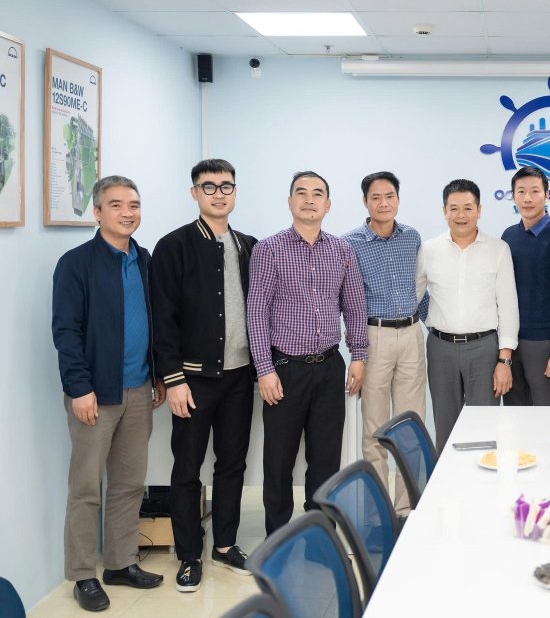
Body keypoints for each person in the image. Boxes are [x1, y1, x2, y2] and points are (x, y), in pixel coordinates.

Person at [52, 176, 166, 612]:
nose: (127, 212)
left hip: (139, 390)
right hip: (95, 394)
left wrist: (158, 375)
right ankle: (83, 574)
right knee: (86, 488)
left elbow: (153, 321)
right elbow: (66, 331)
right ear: (97, 213)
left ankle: (120, 563)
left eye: (133, 204)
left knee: (128, 485)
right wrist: (79, 388)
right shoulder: (76, 264)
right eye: (116, 205)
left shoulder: (145, 259)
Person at [150, 159, 257, 592]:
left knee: (232, 463)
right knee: (187, 468)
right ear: (194, 193)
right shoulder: (173, 246)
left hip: (239, 376)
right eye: (208, 186)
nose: (218, 194)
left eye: (226, 186)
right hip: (193, 379)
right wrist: (173, 378)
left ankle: (225, 545)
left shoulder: (248, 245)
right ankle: (190, 555)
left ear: (235, 192)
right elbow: (162, 317)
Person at [247, 171, 368, 535]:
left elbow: (355, 307)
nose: (309, 199)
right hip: (285, 369)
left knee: (326, 459)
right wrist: (265, 368)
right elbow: (256, 311)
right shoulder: (269, 249)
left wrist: (358, 355)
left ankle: (320, 533)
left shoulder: (342, 251)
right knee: (279, 459)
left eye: (318, 194)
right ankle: (279, 537)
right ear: (290, 202)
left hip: (329, 367)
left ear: (328, 205)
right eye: (301, 193)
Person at [343, 171, 428, 515]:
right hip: (373, 336)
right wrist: (357, 351)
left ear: (398, 199)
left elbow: (420, 287)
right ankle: (379, 511)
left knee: (410, 425)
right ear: (365, 202)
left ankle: (407, 509)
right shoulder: (350, 243)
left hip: (411, 335)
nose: (383, 203)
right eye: (375, 197)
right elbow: (350, 302)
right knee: (375, 428)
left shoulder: (412, 237)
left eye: (389, 196)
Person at [417, 179, 518, 451]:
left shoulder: (498, 249)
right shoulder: (429, 249)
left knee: (484, 428)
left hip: (484, 349)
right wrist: (432, 321)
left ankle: (483, 478)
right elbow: (412, 297)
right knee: (445, 426)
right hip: (440, 349)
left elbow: (508, 307)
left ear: (479, 210)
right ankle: (447, 479)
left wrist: (504, 360)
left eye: (468, 208)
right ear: (444, 211)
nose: (461, 215)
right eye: (454, 208)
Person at [501, 167, 550, 406]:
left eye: (535, 191)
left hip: (545, 345)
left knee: (547, 417)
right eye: (521, 191)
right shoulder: (508, 236)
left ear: (547, 195)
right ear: (513, 196)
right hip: (511, 342)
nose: (527, 198)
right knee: (515, 413)